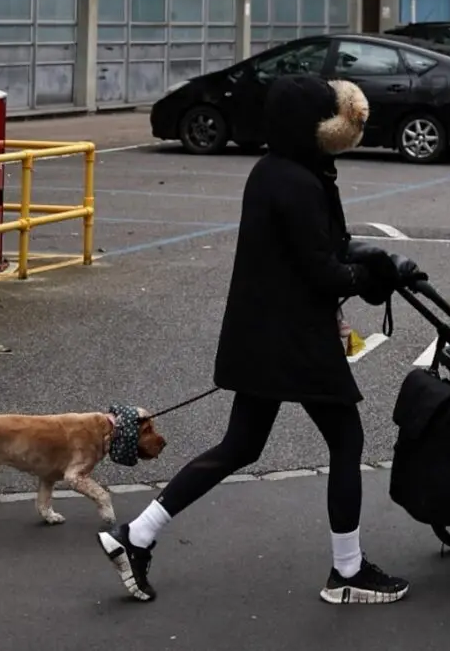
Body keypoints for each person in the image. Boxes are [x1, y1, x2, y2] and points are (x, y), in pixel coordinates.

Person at [100, 74, 419, 606]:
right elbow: (322, 270)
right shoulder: (299, 181)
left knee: (240, 446)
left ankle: (135, 535)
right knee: (345, 442)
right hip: (295, 338)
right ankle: (347, 572)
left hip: (262, 335)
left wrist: (363, 263)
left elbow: (313, 253)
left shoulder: (274, 171)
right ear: (312, 126)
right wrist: (376, 276)